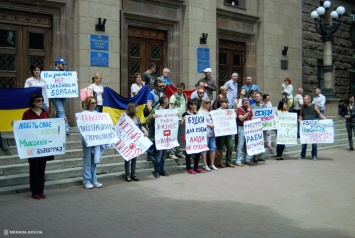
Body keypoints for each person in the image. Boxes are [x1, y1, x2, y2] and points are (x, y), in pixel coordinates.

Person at [22, 93, 51, 199]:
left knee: (42, 169)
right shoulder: (27, 114)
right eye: (38, 100)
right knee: (34, 168)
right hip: (32, 146)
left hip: (43, 146)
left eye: (41, 100)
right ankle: (35, 192)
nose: (40, 102)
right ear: (33, 102)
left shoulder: (45, 113)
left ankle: (41, 190)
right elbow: (22, 128)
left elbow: (50, 126)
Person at [81, 96, 104, 189]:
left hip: (96, 139)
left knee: (94, 160)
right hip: (87, 139)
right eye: (93, 103)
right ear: (88, 104)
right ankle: (86, 180)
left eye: (95, 103)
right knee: (87, 160)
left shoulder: (97, 113)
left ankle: (94, 179)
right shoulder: (83, 114)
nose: (95, 105)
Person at [146, 97, 171, 178]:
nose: (168, 101)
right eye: (167, 100)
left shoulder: (167, 110)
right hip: (158, 136)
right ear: (164, 102)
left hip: (165, 136)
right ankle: (157, 170)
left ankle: (162, 169)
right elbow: (148, 121)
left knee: (164, 154)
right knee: (159, 154)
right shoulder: (156, 110)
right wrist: (152, 117)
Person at [124, 102, 148, 181]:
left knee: (134, 158)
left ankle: (133, 174)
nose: (137, 109)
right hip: (127, 141)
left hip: (135, 141)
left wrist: (145, 131)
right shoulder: (125, 117)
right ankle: (127, 175)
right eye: (136, 107)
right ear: (132, 108)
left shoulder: (137, 118)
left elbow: (141, 126)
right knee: (127, 158)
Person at [298, 95, 327, 160]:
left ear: (309, 100)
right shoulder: (302, 107)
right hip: (305, 128)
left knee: (314, 142)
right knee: (304, 142)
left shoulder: (314, 106)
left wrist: (326, 120)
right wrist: (300, 119)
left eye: (305, 99)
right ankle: (302, 155)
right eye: (304, 99)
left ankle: (314, 155)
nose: (304, 100)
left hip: (313, 127)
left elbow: (319, 114)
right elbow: (301, 115)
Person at [181, 99, 204, 174]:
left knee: (198, 151)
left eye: (196, 105)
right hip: (189, 136)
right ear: (190, 105)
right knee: (189, 152)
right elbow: (182, 125)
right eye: (194, 105)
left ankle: (196, 167)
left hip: (196, 136)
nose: (195, 106)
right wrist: (184, 120)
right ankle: (189, 168)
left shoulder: (196, 114)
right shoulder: (185, 114)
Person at [145, 79, 165, 162]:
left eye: (162, 86)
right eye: (160, 86)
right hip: (153, 118)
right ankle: (150, 154)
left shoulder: (162, 94)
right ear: (156, 86)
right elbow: (149, 106)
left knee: (158, 136)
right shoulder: (151, 94)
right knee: (151, 136)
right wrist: (154, 114)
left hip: (160, 120)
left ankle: (155, 152)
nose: (162, 87)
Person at [51, 58, 70, 135]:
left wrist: (75, 81)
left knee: (60, 112)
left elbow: (70, 80)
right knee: (61, 110)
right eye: (62, 64)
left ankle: (57, 127)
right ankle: (66, 127)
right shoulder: (51, 72)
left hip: (63, 94)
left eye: (64, 64)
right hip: (54, 95)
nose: (64, 66)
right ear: (57, 64)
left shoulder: (66, 72)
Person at [198, 98, 217, 171]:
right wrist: (210, 125)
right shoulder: (200, 112)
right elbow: (201, 121)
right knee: (204, 148)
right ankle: (205, 164)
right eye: (206, 103)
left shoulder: (210, 112)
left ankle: (212, 164)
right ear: (203, 103)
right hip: (204, 132)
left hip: (212, 132)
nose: (208, 104)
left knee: (213, 147)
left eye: (209, 103)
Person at [168, 83, 187, 159]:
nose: (179, 90)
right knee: (173, 136)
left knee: (180, 136)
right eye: (178, 89)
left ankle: (179, 151)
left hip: (182, 119)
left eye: (181, 89)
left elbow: (185, 107)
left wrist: (185, 116)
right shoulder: (173, 97)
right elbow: (170, 108)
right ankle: (172, 152)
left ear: (183, 89)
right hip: (175, 119)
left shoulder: (185, 96)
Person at [235, 98, 255, 166]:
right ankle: (238, 160)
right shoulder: (239, 109)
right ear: (242, 103)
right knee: (240, 145)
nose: (246, 104)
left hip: (248, 128)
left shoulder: (250, 109)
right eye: (245, 103)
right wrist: (247, 113)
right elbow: (241, 118)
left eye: (247, 103)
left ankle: (247, 159)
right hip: (242, 128)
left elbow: (252, 118)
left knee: (248, 144)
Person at [215, 98, 234, 168]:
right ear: (221, 103)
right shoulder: (217, 111)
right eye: (225, 102)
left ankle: (228, 161)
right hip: (221, 132)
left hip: (228, 131)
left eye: (227, 102)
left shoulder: (229, 111)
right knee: (220, 147)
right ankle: (220, 162)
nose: (226, 104)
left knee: (230, 146)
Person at [250, 92, 266, 163]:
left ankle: (260, 155)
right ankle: (255, 156)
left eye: (258, 96)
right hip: (255, 127)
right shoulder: (252, 106)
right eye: (255, 96)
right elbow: (250, 115)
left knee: (261, 141)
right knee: (256, 141)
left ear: (261, 97)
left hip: (263, 126)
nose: (256, 97)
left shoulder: (265, 106)